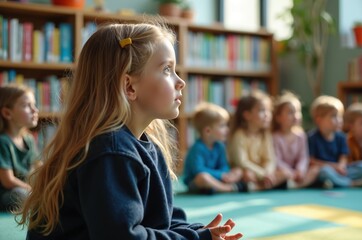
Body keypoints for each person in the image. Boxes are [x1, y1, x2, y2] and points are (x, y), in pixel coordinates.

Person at [17, 21, 242, 240]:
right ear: (129, 86)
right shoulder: (111, 152)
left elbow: (162, 219)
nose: (180, 81)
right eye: (167, 69)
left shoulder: (145, 145)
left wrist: (202, 232)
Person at [308, 95, 362, 189]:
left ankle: (335, 181)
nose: (339, 120)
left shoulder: (341, 137)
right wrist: (333, 166)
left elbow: (343, 156)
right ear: (319, 120)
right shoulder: (312, 137)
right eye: (334, 116)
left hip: (339, 170)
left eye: (340, 116)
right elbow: (311, 161)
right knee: (323, 172)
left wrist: (341, 166)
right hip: (326, 169)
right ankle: (351, 183)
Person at [227, 90, 286, 190]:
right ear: (247, 115)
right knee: (246, 174)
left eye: (269, 110)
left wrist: (268, 172)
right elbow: (242, 162)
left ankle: (255, 187)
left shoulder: (265, 134)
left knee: (283, 173)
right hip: (248, 171)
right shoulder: (239, 135)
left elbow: (270, 159)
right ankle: (259, 185)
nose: (267, 114)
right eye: (262, 111)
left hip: (262, 172)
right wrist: (262, 174)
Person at [183, 102, 247, 194]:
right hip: (196, 182)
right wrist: (221, 175)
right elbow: (198, 170)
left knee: (238, 171)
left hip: (217, 178)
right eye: (222, 126)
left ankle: (215, 187)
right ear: (208, 131)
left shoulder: (220, 146)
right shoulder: (197, 148)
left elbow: (224, 165)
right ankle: (227, 188)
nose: (227, 129)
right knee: (203, 177)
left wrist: (226, 175)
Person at [0, 84, 40, 212]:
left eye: (34, 104)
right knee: (20, 195)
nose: (35, 110)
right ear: (7, 113)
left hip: (27, 189)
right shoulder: (3, 142)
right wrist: (32, 190)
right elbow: (8, 181)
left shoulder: (28, 139)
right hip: (8, 193)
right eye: (26, 105)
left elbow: (38, 165)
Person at [272, 91, 319, 189]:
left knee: (315, 171)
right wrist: (290, 172)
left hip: (297, 173)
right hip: (283, 171)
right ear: (278, 117)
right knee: (277, 174)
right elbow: (276, 160)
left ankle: (296, 185)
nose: (295, 115)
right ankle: (292, 183)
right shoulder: (275, 137)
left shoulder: (301, 136)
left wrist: (300, 170)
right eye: (290, 112)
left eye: (298, 111)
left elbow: (303, 157)